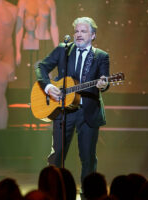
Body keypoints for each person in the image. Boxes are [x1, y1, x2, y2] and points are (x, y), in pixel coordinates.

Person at [35, 17, 110, 187]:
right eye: (76, 31)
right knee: (58, 154)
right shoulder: (64, 50)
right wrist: (47, 88)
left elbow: (105, 80)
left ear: (93, 35)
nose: (78, 35)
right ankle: (53, 190)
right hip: (63, 110)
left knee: (87, 156)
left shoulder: (101, 57)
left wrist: (103, 83)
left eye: (83, 31)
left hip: (88, 111)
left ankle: (87, 192)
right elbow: (41, 67)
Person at [15, 0, 59, 66]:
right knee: (30, 70)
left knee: (45, 71)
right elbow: (19, 27)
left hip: (45, 40)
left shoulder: (49, 2)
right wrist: (17, 51)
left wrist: (57, 48)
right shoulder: (23, 2)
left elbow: (54, 26)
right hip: (29, 42)